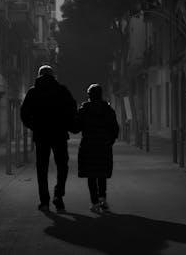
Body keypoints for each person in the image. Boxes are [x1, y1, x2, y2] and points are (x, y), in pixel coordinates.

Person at [20, 65, 77, 212]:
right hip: (59, 134)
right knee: (62, 166)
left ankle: (44, 201)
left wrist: (34, 126)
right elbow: (72, 109)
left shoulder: (33, 92)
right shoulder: (62, 90)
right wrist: (66, 124)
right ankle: (58, 195)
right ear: (53, 75)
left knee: (42, 169)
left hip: (41, 135)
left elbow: (24, 114)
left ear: (39, 75)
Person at [73, 83, 119, 212]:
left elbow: (76, 128)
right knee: (102, 173)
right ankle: (102, 198)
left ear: (89, 96)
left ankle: (94, 202)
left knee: (91, 174)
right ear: (101, 95)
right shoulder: (108, 110)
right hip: (104, 146)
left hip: (88, 146)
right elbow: (115, 129)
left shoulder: (84, 110)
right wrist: (109, 141)